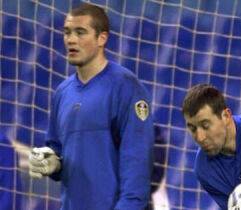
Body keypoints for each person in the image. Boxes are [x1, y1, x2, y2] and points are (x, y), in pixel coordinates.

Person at [28, 3, 154, 210]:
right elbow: (57, 150)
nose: (71, 40)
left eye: (80, 32)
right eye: (67, 32)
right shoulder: (62, 92)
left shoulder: (125, 86)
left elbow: (137, 164)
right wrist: (51, 163)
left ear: (101, 38)